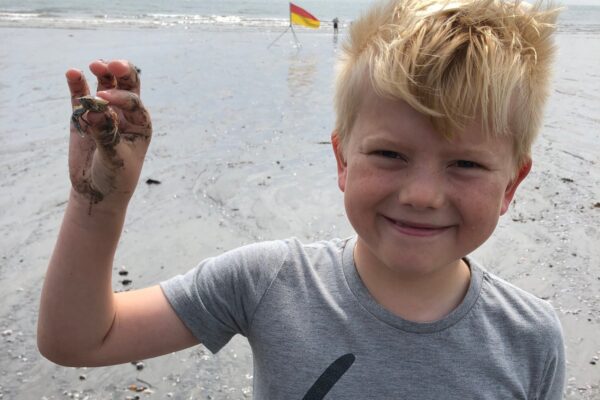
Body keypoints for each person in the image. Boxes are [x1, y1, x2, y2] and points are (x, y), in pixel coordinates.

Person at [38, 0, 565, 398]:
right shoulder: (269, 283)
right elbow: (79, 340)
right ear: (342, 160)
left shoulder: (530, 338)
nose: (422, 195)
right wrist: (98, 204)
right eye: (390, 155)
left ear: (511, 185)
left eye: (466, 164)